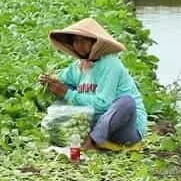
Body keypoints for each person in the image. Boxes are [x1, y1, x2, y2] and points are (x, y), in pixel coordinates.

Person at [39, 17, 147, 151]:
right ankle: (91, 137)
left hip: (125, 129)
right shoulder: (78, 66)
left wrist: (67, 93)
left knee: (126, 102)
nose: (79, 45)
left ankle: (90, 143)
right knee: (64, 96)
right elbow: (61, 80)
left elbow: (103, 104)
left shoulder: (110, 64)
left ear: (96, 43)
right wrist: (49, 81)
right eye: (76, 42)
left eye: (84, 41)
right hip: (95, 123)